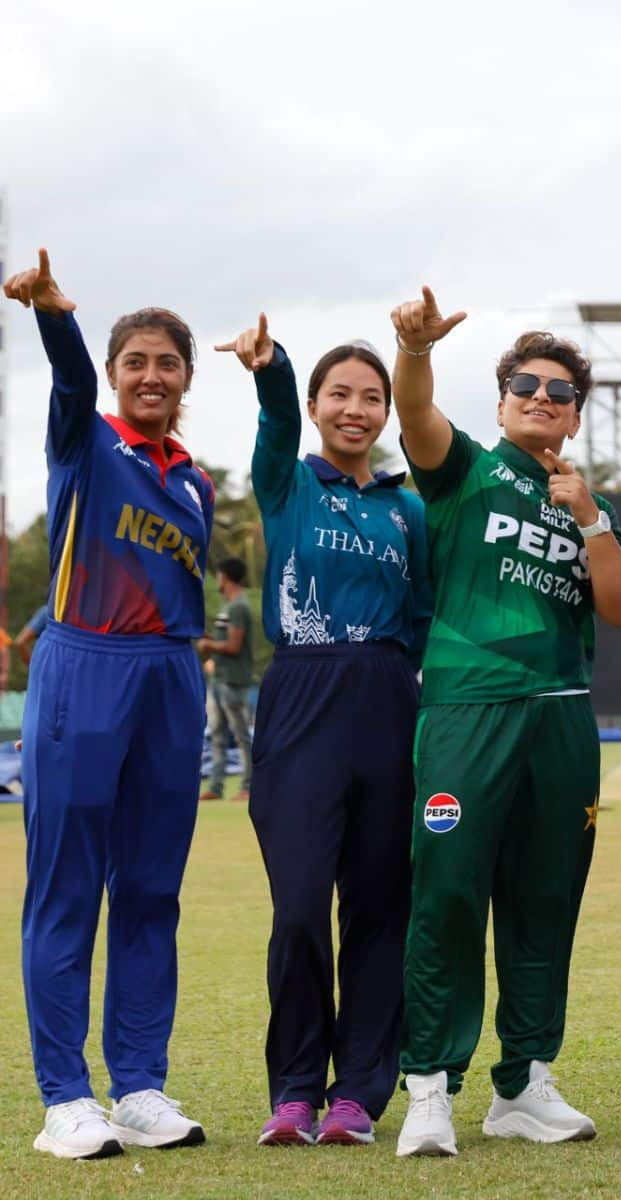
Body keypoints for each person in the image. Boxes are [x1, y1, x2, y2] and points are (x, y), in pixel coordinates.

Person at [387, 288, 621, 1158]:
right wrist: (415, 351)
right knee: (450, 893)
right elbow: (415, 411)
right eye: (526, 385)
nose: (543, 396)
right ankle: (431, 1086)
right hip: (468, 708)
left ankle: (524, 1082)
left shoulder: (584, 499)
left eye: (560, 391)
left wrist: (591, 519)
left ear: (575, 417)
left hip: (563, 722)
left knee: (545, 902)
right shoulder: (465, 467)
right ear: (501, 401)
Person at [5, 248, 214, 1158]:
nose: (151, 375)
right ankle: (66, 1099)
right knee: (66, 891)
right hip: (84, 666)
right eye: (137, 362)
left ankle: (138, 1085)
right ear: (116, 374)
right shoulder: (84, 439)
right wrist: (58, 316)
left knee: (151, 893)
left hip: (171, 678)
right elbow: (69, 376)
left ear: (187, 380)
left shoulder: (195, 481)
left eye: (168, 363)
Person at [213, 315, 432, 1147]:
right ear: (315, 405)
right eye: (339, 394)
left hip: (384, 696)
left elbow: (421, 615)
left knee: (379, 908)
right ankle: (296, 1090)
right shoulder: (287, 485)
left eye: (372, 397)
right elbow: (272, 425)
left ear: (386, 414)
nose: (357, 408)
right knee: (300, 905)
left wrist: (398, 689)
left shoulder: (407, 509)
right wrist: (271, 372)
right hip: (300, 694)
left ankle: (359, 1095)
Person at [196, 558, 256, 802]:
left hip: (234, 682)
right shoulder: (227, 606)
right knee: (218, 736)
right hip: (219, 679)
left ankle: (249, 786)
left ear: (225, 576)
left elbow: (234, 646)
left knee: (241, 735)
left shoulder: (239, 607)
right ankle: (216, 786)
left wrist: (209, 644)